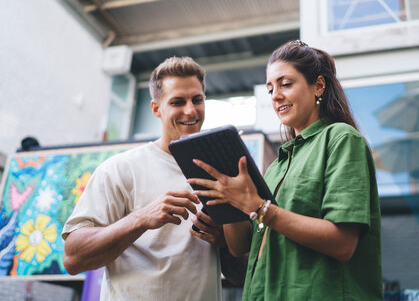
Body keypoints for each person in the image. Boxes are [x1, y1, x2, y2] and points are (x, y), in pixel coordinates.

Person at [188, 40, 382, 300]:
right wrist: (229, 199)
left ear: (318, 86)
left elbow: (342, 244)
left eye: (285, 84)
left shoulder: (341, 139)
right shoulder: (277, 166)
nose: (276, 95)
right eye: (270, 89)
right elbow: (241, 246)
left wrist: (260, 208)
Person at [62, 56, 225, 301]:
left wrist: (225, 241)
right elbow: (73, 258)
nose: (190, 110)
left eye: (197, 100)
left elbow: (243, 270)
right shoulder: (119, 169)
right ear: (156, 109)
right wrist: (141, 218)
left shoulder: (223, 172)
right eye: (178, 102)